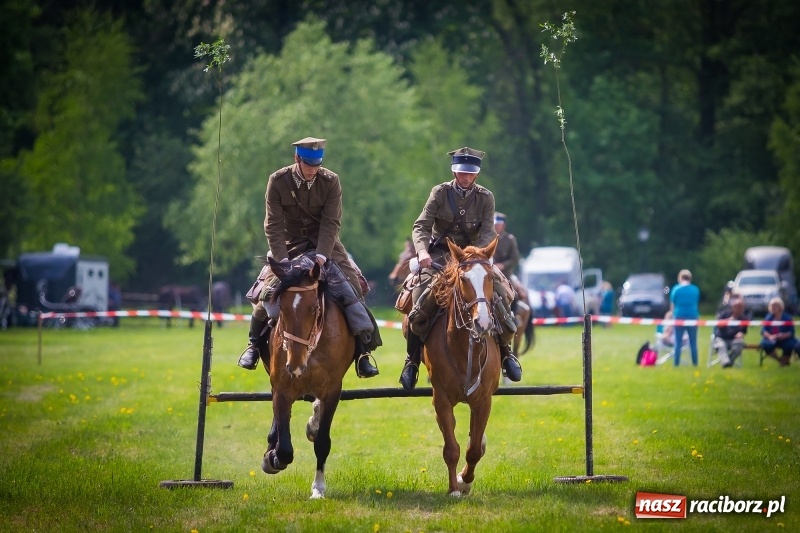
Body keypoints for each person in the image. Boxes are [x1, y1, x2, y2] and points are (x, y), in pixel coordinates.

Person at [237, 137, 381, 378]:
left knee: (353, 287)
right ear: (297, 159)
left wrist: (322, 256)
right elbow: (273, 224)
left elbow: (331, 223)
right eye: (309, 165)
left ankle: (362, 353)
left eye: (317, 165)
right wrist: (282, 261)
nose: (314, 170)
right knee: (266, 291)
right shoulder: (277, 180)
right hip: (288, 247)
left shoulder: (331, 180)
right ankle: (253, 345)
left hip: (326, 246)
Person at [399, 147, 522, 390]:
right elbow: (421, 225)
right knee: (418, 298)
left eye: (470, 173)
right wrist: (422, 252)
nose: (465, 177)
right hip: (440, 256)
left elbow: (488, 230)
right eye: (461, 173)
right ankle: (412, 360)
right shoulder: (439, 193)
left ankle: (506, 354)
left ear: (476, 174)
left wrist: (480, 254)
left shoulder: (486, 197)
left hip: (473, 257)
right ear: (454, 171)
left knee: (501, 294)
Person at [670, 269, 700, 366]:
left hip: (679, 316)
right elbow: (696, 303)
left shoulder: (676, 289)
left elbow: (673, 305)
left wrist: (671, 316)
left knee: (678, 342)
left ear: (680, 278)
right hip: (692, 316)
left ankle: (676, 364)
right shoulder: (695, 289)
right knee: (693, 342)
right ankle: (695, 363)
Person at [712, 296, 749, 368]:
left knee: (740, 344)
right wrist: (728, 320)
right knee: (721, 345)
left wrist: (741, 334)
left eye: (741, 307)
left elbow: (744, 331)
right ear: (733, 307)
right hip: (721, 338)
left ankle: (728, 362)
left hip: (734, 340)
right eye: (737, 307)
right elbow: (718, 325)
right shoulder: (724, 314)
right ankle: (726, 363)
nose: (739, 309)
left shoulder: (744, 318)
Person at [760, 297, 796, 367]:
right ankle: (780, 360)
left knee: (789, 345)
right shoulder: (768, 317)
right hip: (771, 338)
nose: (773, 308)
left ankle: (785, 361)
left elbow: (791, 332)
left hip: (784, 338)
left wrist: (783, 335)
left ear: (780, 307)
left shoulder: (787, 317)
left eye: (775, 306)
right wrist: (770, 336)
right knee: (765, 345)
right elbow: (763, 330)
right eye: (771, 306)